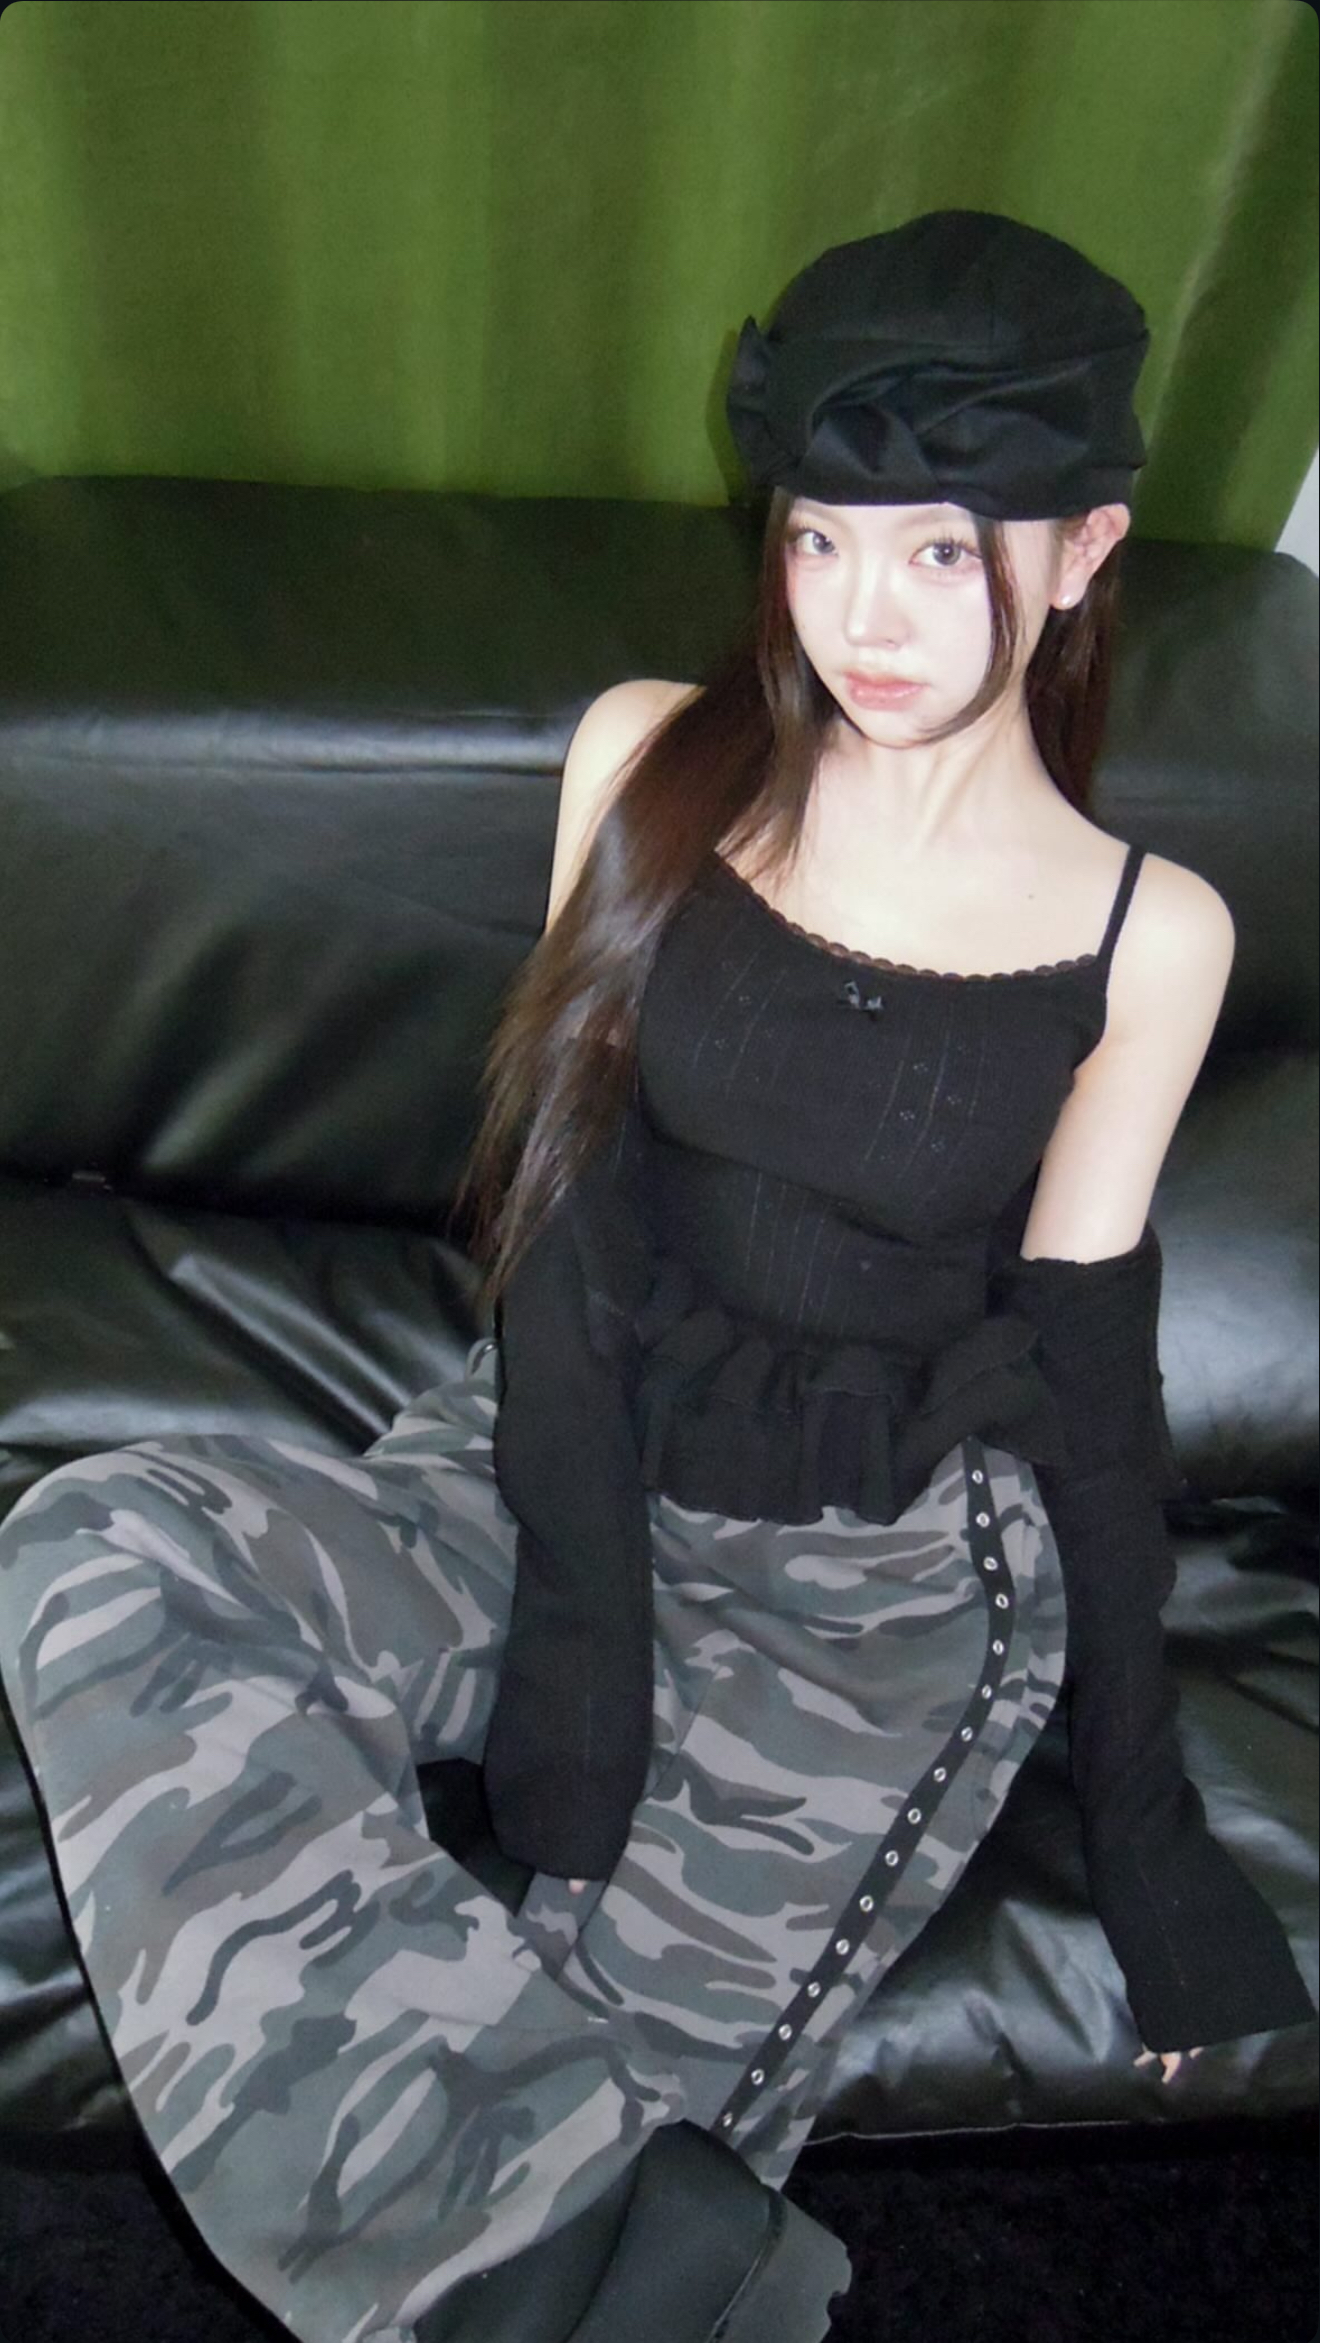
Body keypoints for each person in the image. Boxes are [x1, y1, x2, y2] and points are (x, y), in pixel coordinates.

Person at [0, 211, 1312, 2343]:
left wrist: (1149, 1830)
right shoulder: (650, 760)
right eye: (819, 541)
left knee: (582, 2080)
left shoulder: (1148, 932)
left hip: (875, 1578)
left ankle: (595, 2274)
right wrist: (581, 1634)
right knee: (96, 1543)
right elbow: (564, 1208)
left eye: (943, 552)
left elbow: (1092, 1359)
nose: (863, 617)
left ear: (1084, 552)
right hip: (549, 1436)